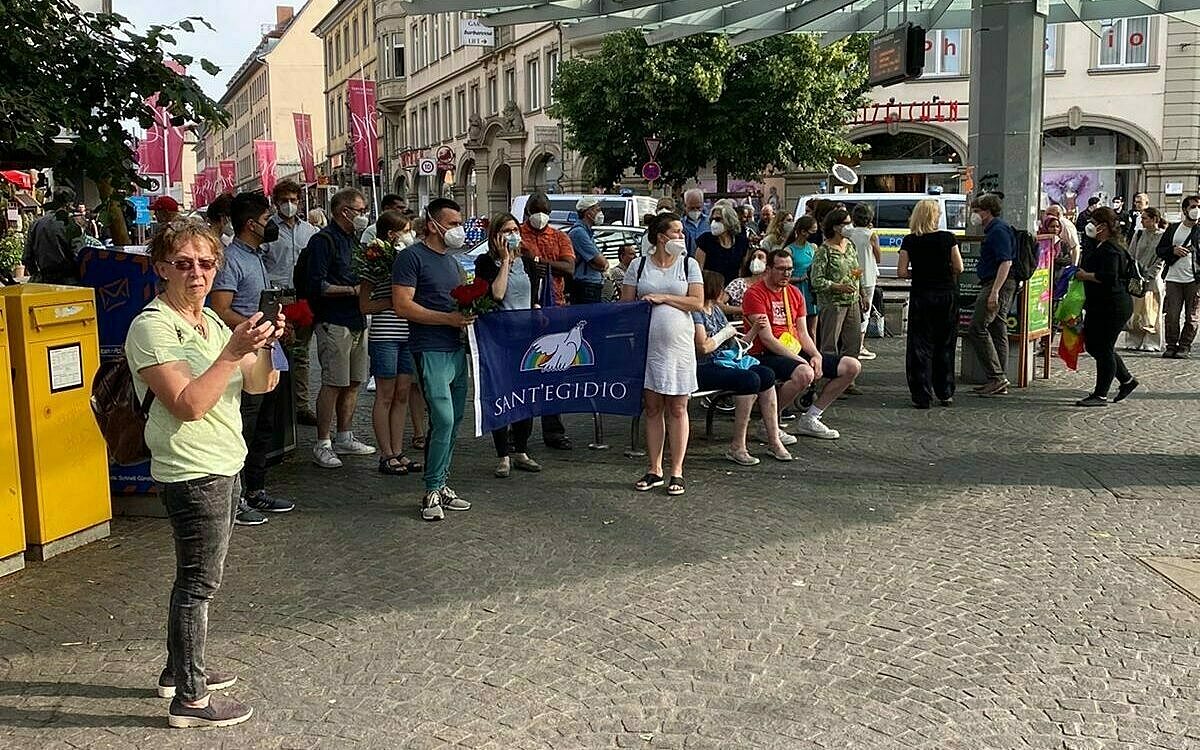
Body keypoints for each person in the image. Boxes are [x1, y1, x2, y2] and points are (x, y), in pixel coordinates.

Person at [126, 220, 283, 728]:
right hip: (192, 467)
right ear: (161, 268)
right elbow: (189, 404)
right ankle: (190, 700)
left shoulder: (212, 324)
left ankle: (179, 670)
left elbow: (258, 386)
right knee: (199, 584)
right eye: (183, 263)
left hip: (224, 460)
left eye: (206, 263)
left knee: (192, 577)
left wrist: (262, 344)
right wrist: (232, 353)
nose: (197, 273)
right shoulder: (153, 326)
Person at [209, 191, 295, 526]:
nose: (271, 224)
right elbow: (220, 309)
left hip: (266, 349)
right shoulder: (231, 259)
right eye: (265, 220)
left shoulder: (255, 255)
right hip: (245, 351)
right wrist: (251, 328)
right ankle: (238, 496)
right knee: (244, 425)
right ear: (250, 224)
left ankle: (256, 489)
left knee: (264, 425)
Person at [393, 198, 475, 521]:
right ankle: (430, 490)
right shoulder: (411, 258)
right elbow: (403, 306)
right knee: (441, 418)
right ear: (432, 224)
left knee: (453, 421)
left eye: (459, 223)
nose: (458, 229)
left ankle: (441, 483)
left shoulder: (454, 263)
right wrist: (447, 319)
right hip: (429, 347)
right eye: (453, 223)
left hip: (455, 349)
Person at [621, 213, 704, 496]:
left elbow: (697, 302)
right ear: (660, 236)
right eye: (676, 232)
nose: (681, 236)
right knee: (653, 407)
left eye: (682, 232)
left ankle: (677, 470)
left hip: (679, 345)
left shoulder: (689, 264)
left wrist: (665, 298)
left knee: (678, 407)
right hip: (648, 345)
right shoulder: (639, 265)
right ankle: (654, 467)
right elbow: (625, 305)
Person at [742, 249, 861, 440]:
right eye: (781, 269)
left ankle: (811, 417)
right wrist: (801, 361)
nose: (787, 274)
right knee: (804, 372)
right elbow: (767, 339)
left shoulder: (795, 293)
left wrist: (816, 355)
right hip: (764, 354)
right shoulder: (754, 294)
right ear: (769, 269)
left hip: (792, 348)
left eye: (790, 269)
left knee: (851, 366)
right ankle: (768, 423)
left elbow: (803, 333)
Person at [306, 188, 376, 467]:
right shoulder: (323, 241)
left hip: (356, 318)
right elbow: (317, 284)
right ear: (343, 211)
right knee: (334, 381)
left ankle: (344, 435)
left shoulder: (354, 240)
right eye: (359, 210)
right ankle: (322, 442)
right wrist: (351, 289)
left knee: (354, 381)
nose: (363, 215)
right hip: (333, 319)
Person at [693, 271, 791, 464]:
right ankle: (738, 445)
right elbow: (703, 347)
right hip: (705, 364)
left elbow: (736, 346)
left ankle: (773, 439)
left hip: (727, 359)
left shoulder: (716, 310)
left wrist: (754, 329)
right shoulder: (696, 313)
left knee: (766, 374)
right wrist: (725, 333)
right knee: (749, 380)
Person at [474, 213, 544, 478]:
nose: (513, 234)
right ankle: (502, 453)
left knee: (526, 396)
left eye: (515, 229)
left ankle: (521, 449)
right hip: (499, 339)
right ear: (496, 236)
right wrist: (504, 261)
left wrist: (538, 310)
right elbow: (497, 294)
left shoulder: (527, 262)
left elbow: (533, 298)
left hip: (526, 339)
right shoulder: (485, 262)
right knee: (502, 395)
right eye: (506, 230)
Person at [357, 210, 423, 476]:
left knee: (402, 394)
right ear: (391, 234)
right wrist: (396, 303)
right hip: (385, 334)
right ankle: (386, 454)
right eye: (406, 230)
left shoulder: (408, 260)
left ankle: (398, 450)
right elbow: (364, 304)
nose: (411, 235)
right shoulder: (373, 262)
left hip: (408, 334)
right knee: (385, 395)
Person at [261, 180, 321, 425]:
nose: (289, 205)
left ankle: (301, 405)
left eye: (293, 200)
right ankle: (276, 406)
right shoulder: (267, 230)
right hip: (276, 297)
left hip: (301, 297)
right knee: (274, 352)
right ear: (276, 203)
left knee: (301, 353)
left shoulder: (309, 231)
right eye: (284, 200)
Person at [518, 192, 575, 450]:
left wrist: (542, 263)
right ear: (528, 210)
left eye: (544, 211)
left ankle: (554, 431)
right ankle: (519, 434)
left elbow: (569, 268)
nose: (540, 215)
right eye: (535, 210)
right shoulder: (517, 233)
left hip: (555, 308)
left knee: (554, 372)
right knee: (524, 371)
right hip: (524, 308)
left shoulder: (560, 236)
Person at [898, 199, 963, 409]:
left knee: (920, 346)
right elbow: (959, 267)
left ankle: (922, 394)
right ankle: (945, 391)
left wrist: (919, 272)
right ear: (935, 216)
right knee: (945, 344)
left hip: (921, 295)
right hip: (946, 295)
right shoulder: (947, 238)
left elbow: (901, 272)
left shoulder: (910, 240)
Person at [1074, 207, 1139, 406]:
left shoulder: (1112, 249)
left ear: (1103, 226)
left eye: (1094, 221)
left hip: (1113, 306)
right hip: (1100, 305)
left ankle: (1100, 394)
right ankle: (1127, 380)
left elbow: (1109, 277)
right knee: (1094, 345)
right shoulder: (1101, 245)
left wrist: (1085, 276)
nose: (1090, 225)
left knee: (1103, 348)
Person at [965, 193, 1017, 395]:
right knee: (997, 328)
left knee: (977, 327)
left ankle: (997, 377)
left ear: (987, 211)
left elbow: (1006, 261)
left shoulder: (998, 230)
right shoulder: (996, 229)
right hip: (998, 282)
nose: (974, 215)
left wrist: (994, 291)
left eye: (977, 211)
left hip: (997, 283)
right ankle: (998, 378)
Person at [811, 209, 864, 393]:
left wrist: (862, 292)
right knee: (830, 343)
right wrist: (837, 286)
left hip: (852, 300)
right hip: (832, 303)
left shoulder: (850, 245)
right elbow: (816, 280)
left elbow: (856, 270)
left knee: (853, 341)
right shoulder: (824, 251)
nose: (849, 227)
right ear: (835, 227)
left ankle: (848, 380)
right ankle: (826, 381)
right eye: (845, 223)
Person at [1154, 194, 1200, 359]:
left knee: (1192, 315)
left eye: (1199, 207)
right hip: (1173, 277)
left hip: (1194, 279)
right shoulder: (1173, 228)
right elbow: (1159, 250)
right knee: (1172, 314)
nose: (1196, 210)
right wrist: (1172, 250)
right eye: (1193, 206)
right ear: (1185, 210)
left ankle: (1185, 346)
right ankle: (1171, 345)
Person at [844, 204, 882, 361]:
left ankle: (849, 345)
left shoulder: (848, 232)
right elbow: (878, 258)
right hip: (866, 275)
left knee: (851, 310)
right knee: (864, 312)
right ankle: (859, 346)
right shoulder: (871, 235)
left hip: (851, 273)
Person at [1125, 206, 1166, 351]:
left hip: (1153, 278)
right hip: (1137, 277)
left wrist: (1150, 274)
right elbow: (1131, 254)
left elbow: (1161, 258)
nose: (1142, 221)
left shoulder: (1164, 236)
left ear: (1154, 219)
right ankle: (1134, 339)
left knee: (1152, 310)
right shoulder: (1139, 234)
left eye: (1145, 218)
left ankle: (1152, 341)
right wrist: (1134, 271)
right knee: (1136, 309)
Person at [23, 187, 78, 283]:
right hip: (68, 281)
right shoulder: (69, 225)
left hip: (44, 280)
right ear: (69, 205)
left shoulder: (36, 223)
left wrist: (36, 275)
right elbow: (79, 254)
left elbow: (27, 257)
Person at [568, 196, 609, 304]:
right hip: (586, 286)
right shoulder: (579, 233)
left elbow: (602, 263)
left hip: (591, 285)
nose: (600, 212)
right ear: (588, 213)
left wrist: (597, 263)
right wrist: (597, 263)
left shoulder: (587, 232)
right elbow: (602, 262)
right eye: (597, 209)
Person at [695, 204, 748, 287]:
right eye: (712, 219)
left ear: (729, 221)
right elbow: (698, 270)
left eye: (718, 219)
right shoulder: (705, 240)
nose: (714, 223)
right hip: (710, 289)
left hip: (733, 289)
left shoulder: (741, 242)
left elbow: (743, 269)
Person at [785, 216, 820, 341]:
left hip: (811, 291)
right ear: (803, 232)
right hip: (797, 290)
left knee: (812, 330)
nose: (815, 234)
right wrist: (799, 278)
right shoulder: (789, 250)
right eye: (813, 231)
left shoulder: (813, 247)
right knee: (797, 328)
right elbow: (781, 277)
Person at [722, 246, 768, 319]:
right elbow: (718, 304)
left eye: (760, 257)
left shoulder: (771, 285)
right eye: (753, 258)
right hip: (741, 326)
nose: (756, 260)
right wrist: (742, 310)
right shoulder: (738, 283)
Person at [681, 188, 709, 256]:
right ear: (685, 206)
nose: (695, 210)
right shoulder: (680, 224)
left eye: (698, 207)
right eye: (692, 208)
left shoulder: (710, 222)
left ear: (702, 205)